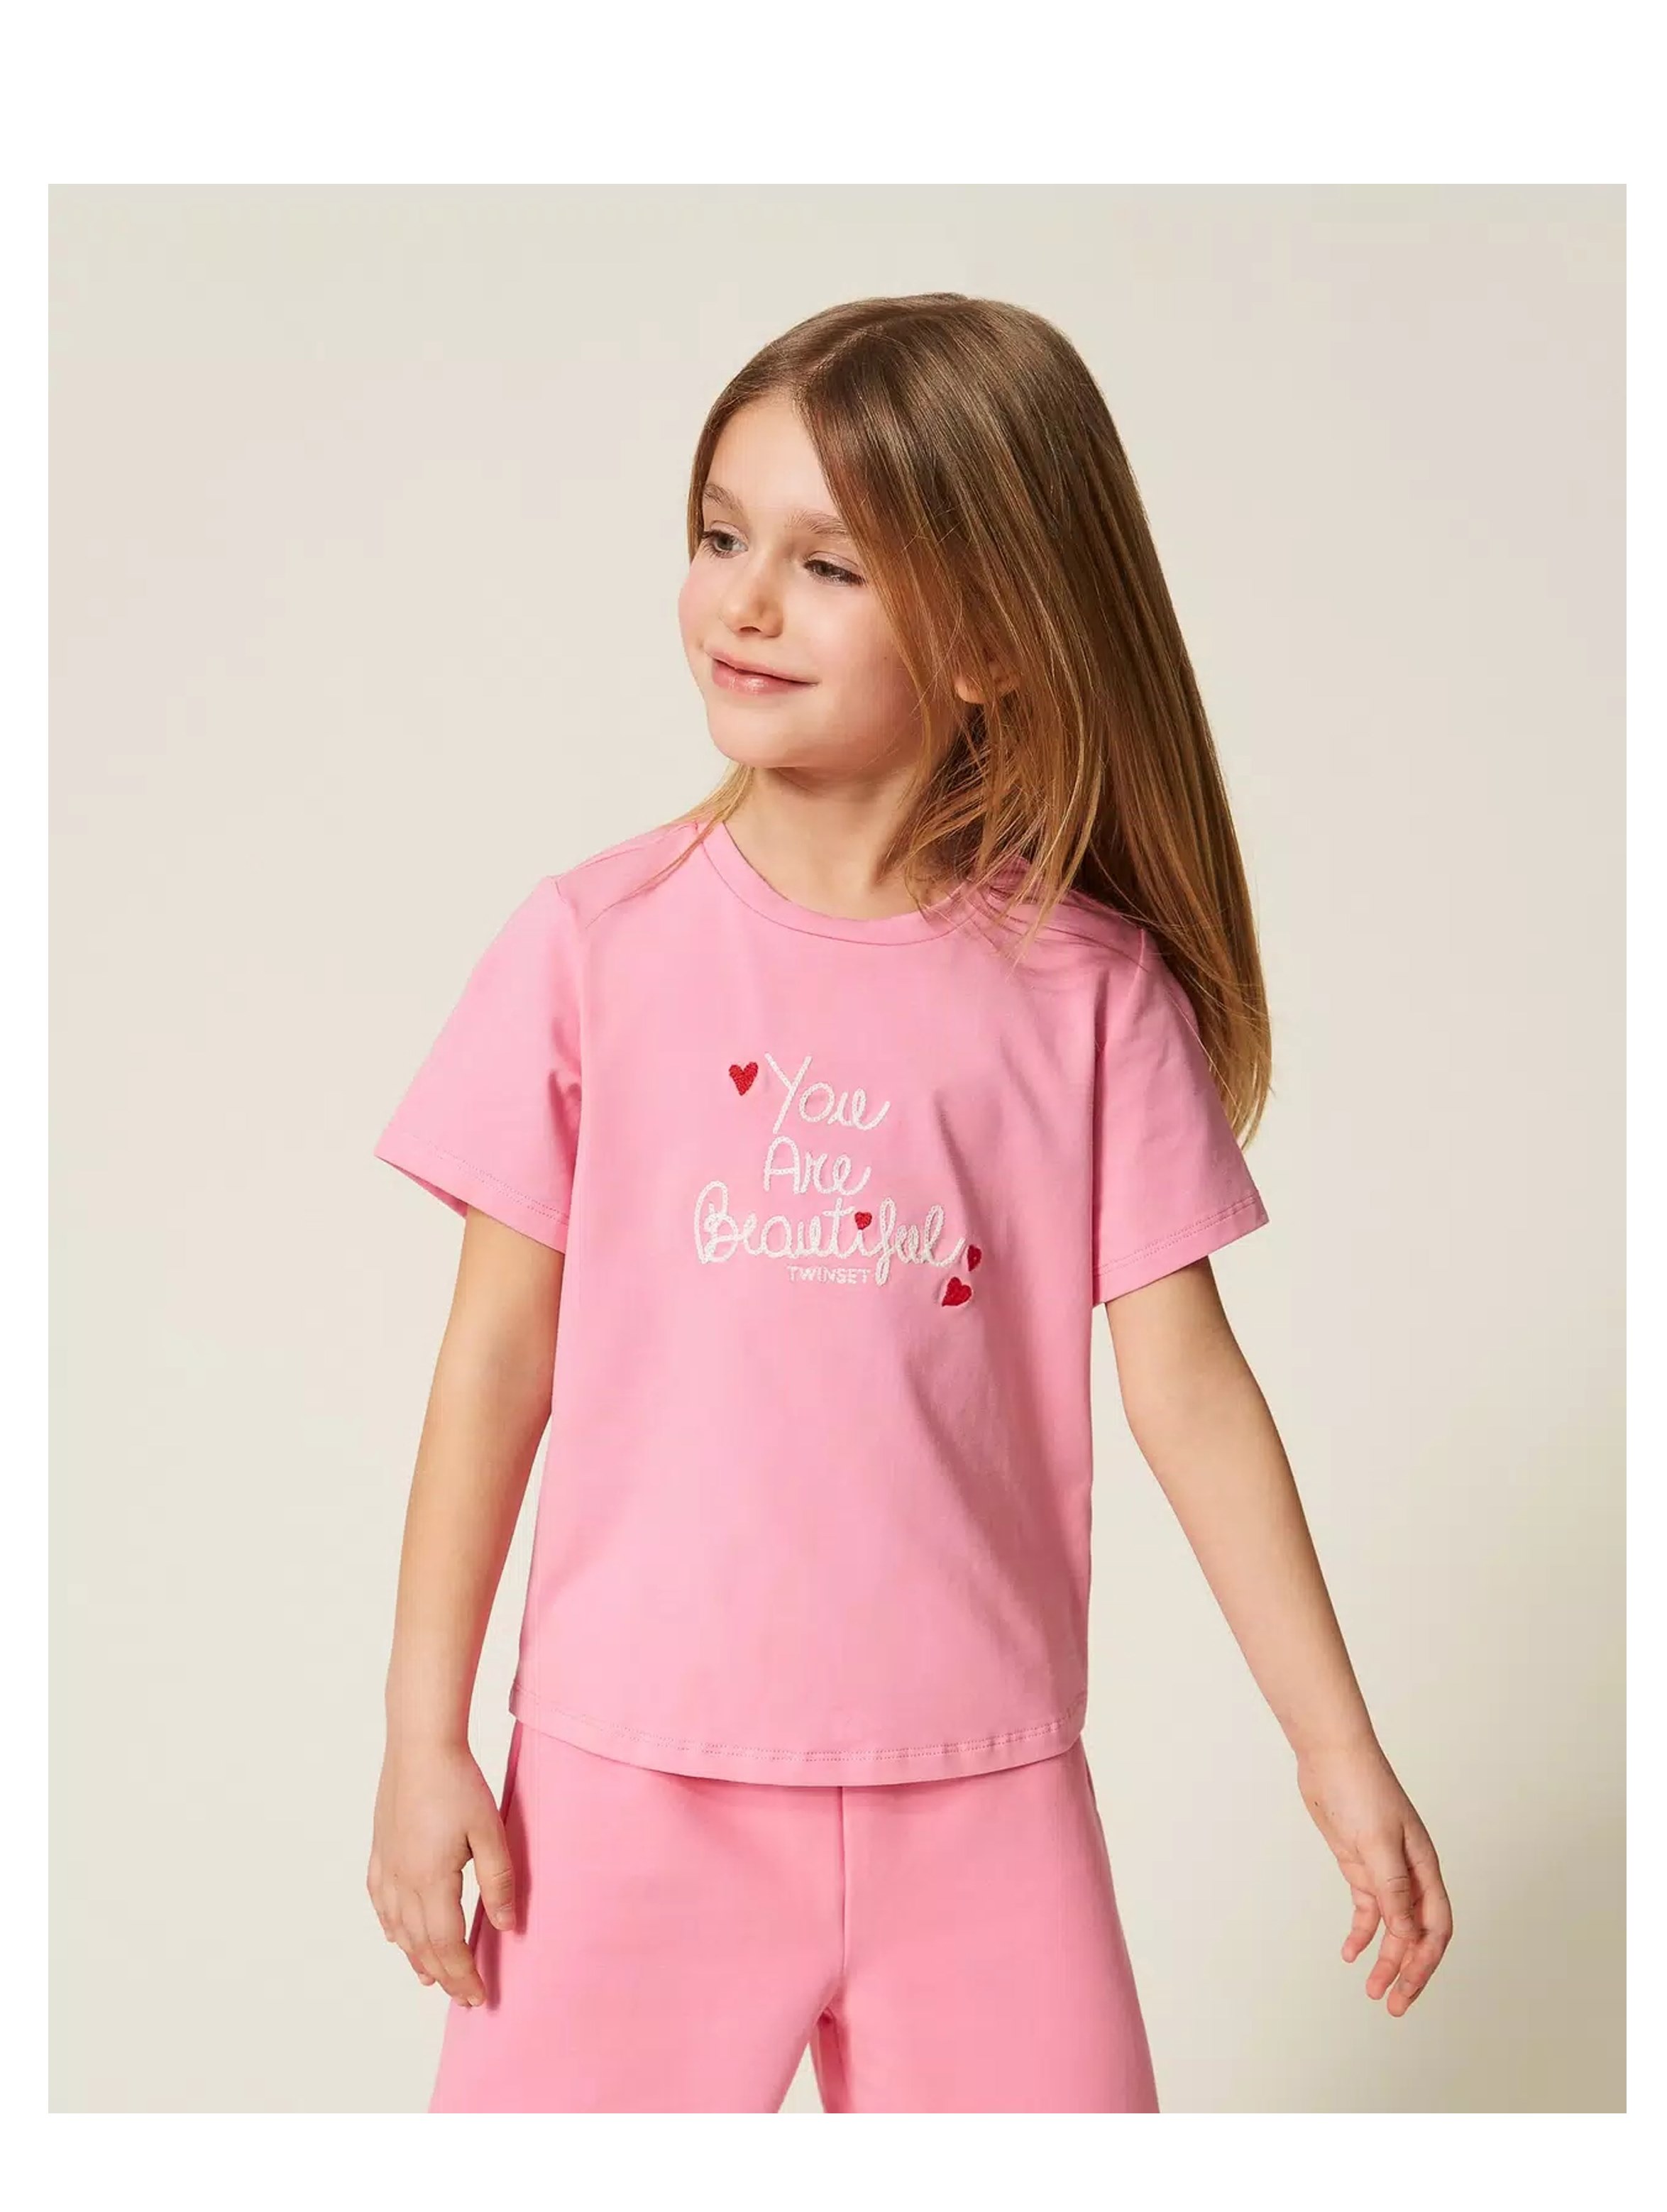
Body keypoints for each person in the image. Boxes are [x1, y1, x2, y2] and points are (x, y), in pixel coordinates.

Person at [365, 293, 1453, 2113]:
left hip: (985, 1797)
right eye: (720, 534)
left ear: (991, 642)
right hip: (625, 1788)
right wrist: (424, 1731)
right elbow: (493, 1360)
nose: (743, 601)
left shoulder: (1086, 992)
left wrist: (1332, 1746)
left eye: (827, 563)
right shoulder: (592, 950)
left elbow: (1188, 1389)